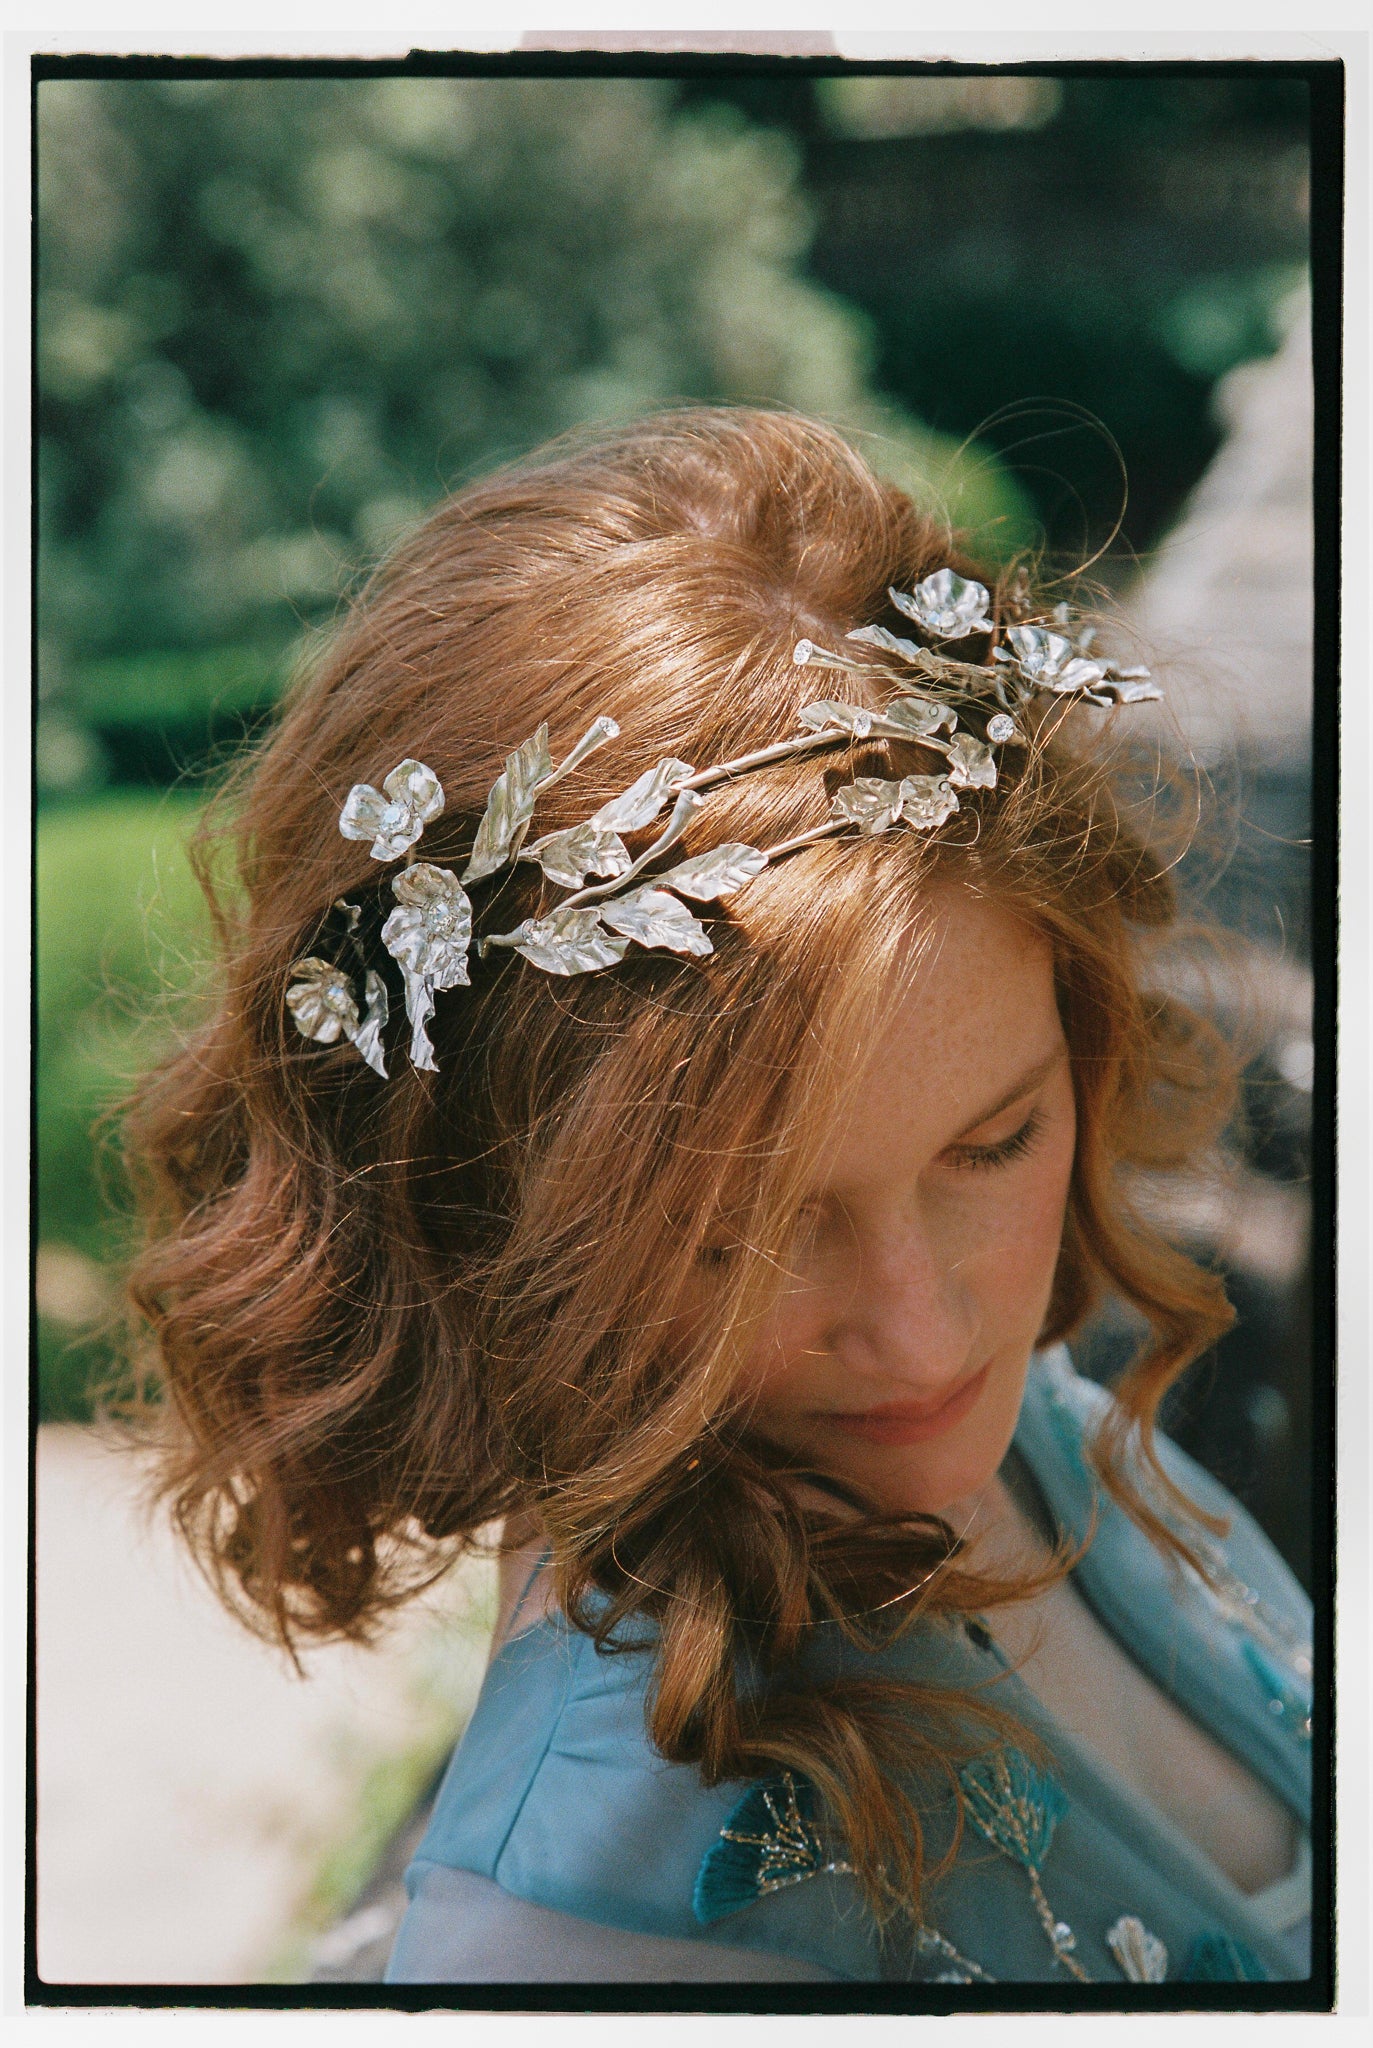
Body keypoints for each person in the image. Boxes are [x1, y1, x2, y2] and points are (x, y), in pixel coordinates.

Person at [124, 409, 1313, 1988]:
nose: (920, 1330)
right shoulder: (588, 1933)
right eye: (739, 1230)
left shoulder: (1048, 1433)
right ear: (485, 1207)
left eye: (993, 1142)